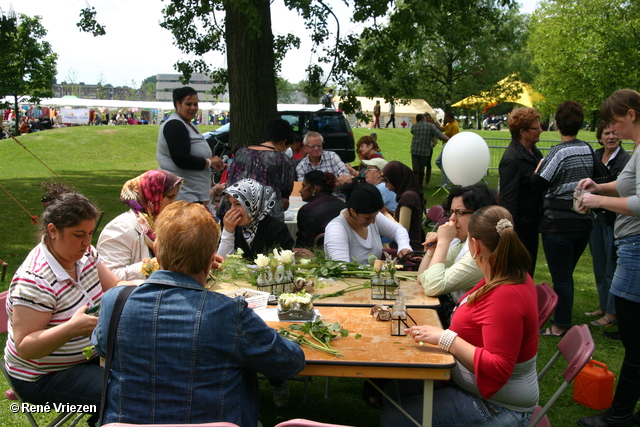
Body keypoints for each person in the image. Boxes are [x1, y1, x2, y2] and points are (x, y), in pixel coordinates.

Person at [93, 201, 305, 426]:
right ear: (210, 260)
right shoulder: (229, 313)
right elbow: (289, 362)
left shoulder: (115, 302)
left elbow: (102, 346)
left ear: (156, 252)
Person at [381, 206, 538, 427]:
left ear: (474, 245)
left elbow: (498, 368)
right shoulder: (504, 272)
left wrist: (446, 339)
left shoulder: (506, 295)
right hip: (473, 385)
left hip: (499, 405)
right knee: (395, 390)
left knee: (394, 420)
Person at [4, 187, 122, 427]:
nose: (87, 242)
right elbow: (26, 346)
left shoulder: (86, 255)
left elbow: (116, 290)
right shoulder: (35, 280)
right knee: (124, 394)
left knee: (147, 373)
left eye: (90, 233)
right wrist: (71, 328)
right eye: (79, 234)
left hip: (85, 360)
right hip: (41, 378)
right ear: (53, 231)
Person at [575, 89, 640, 427]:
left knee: (633, 337)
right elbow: (627, 184)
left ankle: (620, 415)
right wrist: (598, 187)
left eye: (615, 121)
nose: (612, 129)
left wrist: (597, 202)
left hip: (636, 247)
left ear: (630, 114)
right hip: (631, 245)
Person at [533, 100, 594, 338]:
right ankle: (563, 315)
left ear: (557, 125)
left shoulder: (558, 152)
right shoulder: (587, 148)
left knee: (562, 277)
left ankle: (560, 324)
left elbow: (538, 183)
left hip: (558, 223)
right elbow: (599, 174)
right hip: (583, 221)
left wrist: (538, 168)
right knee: (567, 273)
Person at [584, 121, 631, 328]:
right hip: (596, 218)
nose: (611, 137)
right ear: (600, 136)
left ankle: (612, 313)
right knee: (599, 266)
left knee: (612, 268)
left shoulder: (626, 159)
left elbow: (622, 189)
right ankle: (603, 306)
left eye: (614, 133)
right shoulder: (595, 155)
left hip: (614, 218)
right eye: (606, 133)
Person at [97, 170, 184, 280]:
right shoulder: (120, 229)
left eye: (175, 197)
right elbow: (110, 277)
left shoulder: (163, 223)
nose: (174, 203)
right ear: (152, 195)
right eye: (170, 197)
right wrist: (153, 264)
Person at [417, 184, 497, 300]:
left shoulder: (481, 251)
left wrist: (443, 243)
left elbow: (433, 286)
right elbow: (422, 277)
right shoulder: (467, 244)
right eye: (451, 212)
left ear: (480, 215)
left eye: (459, 213)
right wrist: (433, 249)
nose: (452, 219)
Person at [157, 86, 223, 205]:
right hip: (183, 195)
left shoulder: (188, 125)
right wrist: (209, 162)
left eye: (196, 104)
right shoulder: (174, 125)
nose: (193, 108)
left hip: (194, 194)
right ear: (178, 104)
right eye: (188, 104)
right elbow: (181, 159)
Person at [499, 107, 544, 276]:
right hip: (520, 228)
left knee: (528, 270)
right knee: (519, 272)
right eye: (536, 127)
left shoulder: (534, 153)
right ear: (523, 132)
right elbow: (508, 200)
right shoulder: (512, 159)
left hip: (532, 224)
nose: (540, 130)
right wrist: (511, 234)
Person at [224, 118, 296, 221]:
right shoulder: (282, 160)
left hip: (237, 216)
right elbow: (284, 199)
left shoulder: (241, 153)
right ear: (284, 142)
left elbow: (229, 185)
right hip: (268, 222)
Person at [324, 182, 412, 264]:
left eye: (375, 216)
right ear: (353, 211)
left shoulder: (372, 216)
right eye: (367, 218)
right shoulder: (336, 230)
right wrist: (383, 267)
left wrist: (404, 246)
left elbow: (398, 230)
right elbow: (342, 267)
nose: (373, 221)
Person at [217, 179, 294, 259]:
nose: (232, 210)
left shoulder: (276, 228)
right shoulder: (233, 227)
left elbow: (284, 263)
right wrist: (228, 232)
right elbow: (222, 262)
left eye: (238, 204)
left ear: (254, 203)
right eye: (230, 204)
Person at [381, 161, 425, 251]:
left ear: (396, 179)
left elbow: (403, 230)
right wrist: (389, 212)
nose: (386, 185)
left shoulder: (408, 197)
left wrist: (385, 214)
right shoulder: (410, 194)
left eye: (387, 181)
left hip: (408, 250)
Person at [296, 171, 346, 247]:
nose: (300, 190)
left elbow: (304, 245)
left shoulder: (307, 211)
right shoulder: (342, 204)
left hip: (318, 255)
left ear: (314, 188)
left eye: (304, 186)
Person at [411, 114, 449, 188]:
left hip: (414, 150)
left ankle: (415, 185)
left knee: (415, 169)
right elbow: (440, 135)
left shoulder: (414, 126)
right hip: (425, 151)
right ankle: (420, 185)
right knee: (421, 169)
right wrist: (449, 140)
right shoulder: (430, 126)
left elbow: (412, 132)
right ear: (423, 118)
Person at [435, 111, 459, 188]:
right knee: (439, 162)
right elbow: (442, 129)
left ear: (449, 117)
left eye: (446, 116)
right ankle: (447, 179)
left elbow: (454, 138)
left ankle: (445, 183)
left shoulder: (454, 126)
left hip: (449, 146)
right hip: (445, 145)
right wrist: (434, 123)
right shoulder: (449, 124)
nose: (445, 118)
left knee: (443, 164)